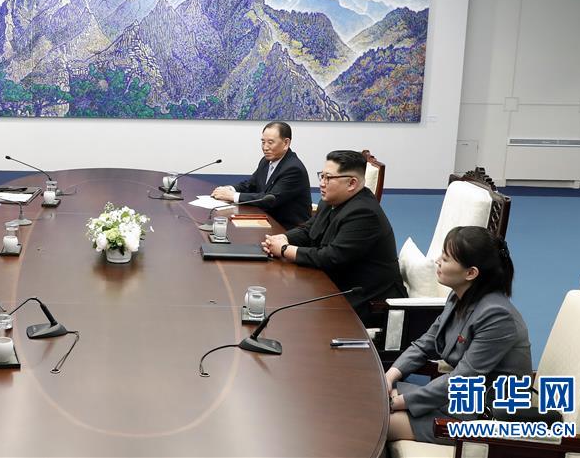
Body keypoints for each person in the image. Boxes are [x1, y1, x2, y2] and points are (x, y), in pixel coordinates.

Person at [385, 226, 531, 445]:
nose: (437, 261)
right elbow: (426, 343)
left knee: (378, 422)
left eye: (446, 258)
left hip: (483, 415)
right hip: (452, 400)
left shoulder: (497, 316)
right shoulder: (459, 296)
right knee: (365, 396)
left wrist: (400, 402)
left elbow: (462, 379)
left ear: (471, 273)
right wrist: (391, 376)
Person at [261, 150, 406, 325]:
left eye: (328, 178)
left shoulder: (364, 213)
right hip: (334, 283)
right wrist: (282, 238)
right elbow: (309, 230)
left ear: (352, 183)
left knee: (291, 316)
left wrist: (285, 250)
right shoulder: (330, 201)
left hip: (366, 301)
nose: (322, 183)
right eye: (321, 176)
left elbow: (331, 257)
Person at [211, 122, 312, 229]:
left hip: (287, 229)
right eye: (263, 142)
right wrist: (229, 189)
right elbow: (250, 185)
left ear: (286, 143)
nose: (265, 147)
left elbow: (269, 200)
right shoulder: (265, 161)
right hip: (267, 221)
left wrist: (232, 196)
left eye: (270, 142)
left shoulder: (293, 169)